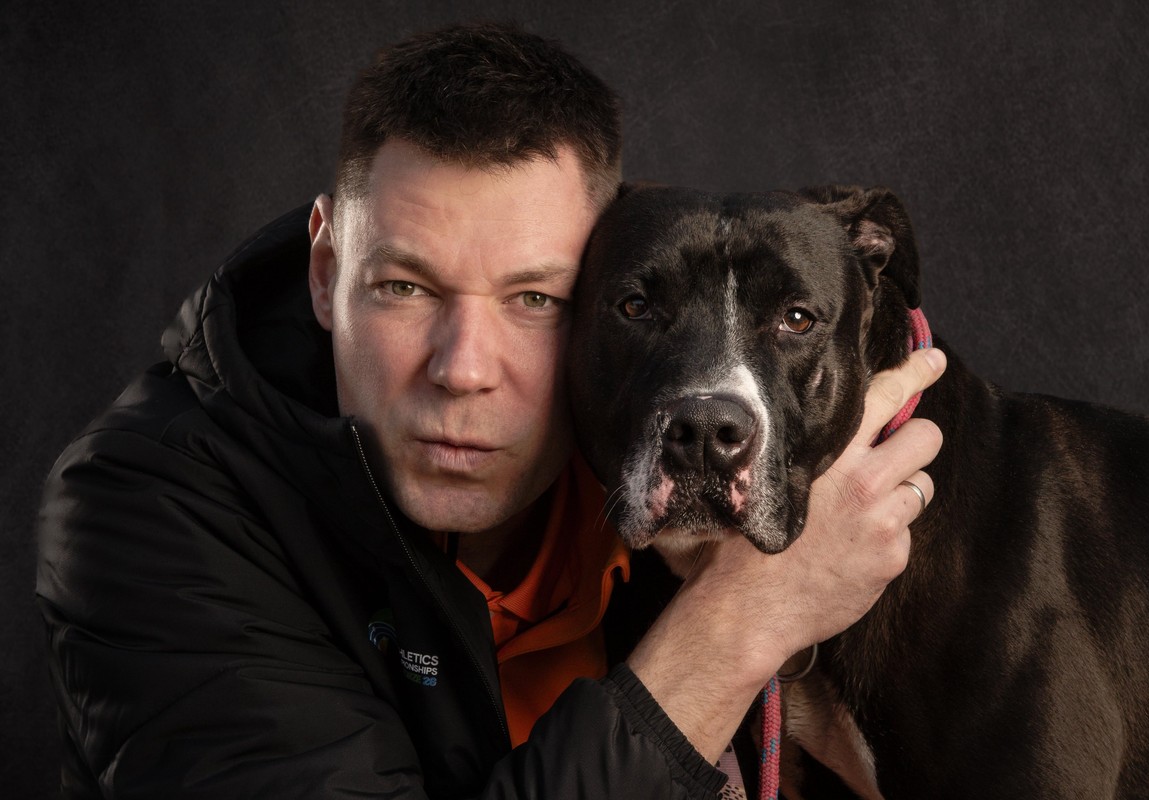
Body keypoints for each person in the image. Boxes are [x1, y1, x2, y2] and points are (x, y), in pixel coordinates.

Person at [36, 22, 944, 799]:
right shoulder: (143, 510)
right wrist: (743, 621)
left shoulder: (668, 453)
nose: (463, 370)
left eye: (534, 300)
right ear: (325, 271)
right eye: (404, 287)